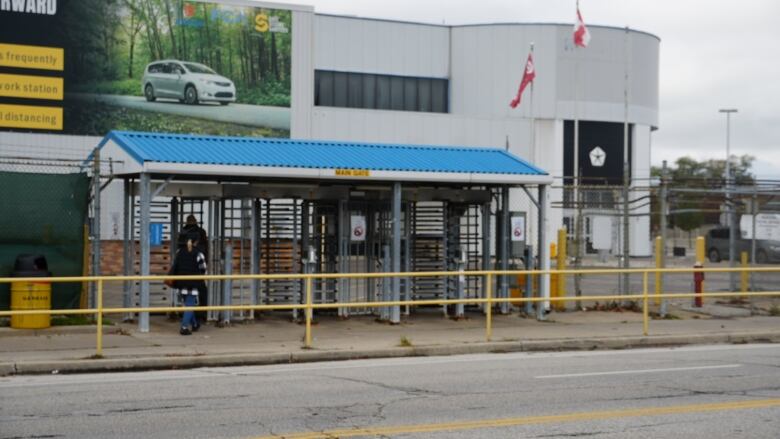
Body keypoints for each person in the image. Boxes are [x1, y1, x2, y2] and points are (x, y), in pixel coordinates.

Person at [169, 231, 207, 335]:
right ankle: (184, 327)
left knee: (188, 305)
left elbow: (176, 266)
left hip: (181, 283)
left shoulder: (179, 252)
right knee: (190, 305)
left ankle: (194, 324)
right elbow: (203, 269)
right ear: (197, 241)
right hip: (193, 284)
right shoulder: (198, 253)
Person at [179, 215, 209, 320]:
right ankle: (203, 312)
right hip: (196, 273)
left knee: (187, 298)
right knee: (202, 292)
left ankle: (189, 318)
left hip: (183, 275)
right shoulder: (201, 232)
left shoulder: (183, 233)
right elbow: (205, 249)